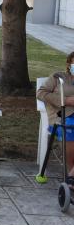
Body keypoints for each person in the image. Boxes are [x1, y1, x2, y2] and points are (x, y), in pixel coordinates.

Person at [37, 51, 74, 189]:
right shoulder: (58, 77)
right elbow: (41, 93)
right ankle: (71, 177)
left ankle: (71, 177)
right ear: (69, 64)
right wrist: (65, 100)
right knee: (70, 128)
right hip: (62, 116)